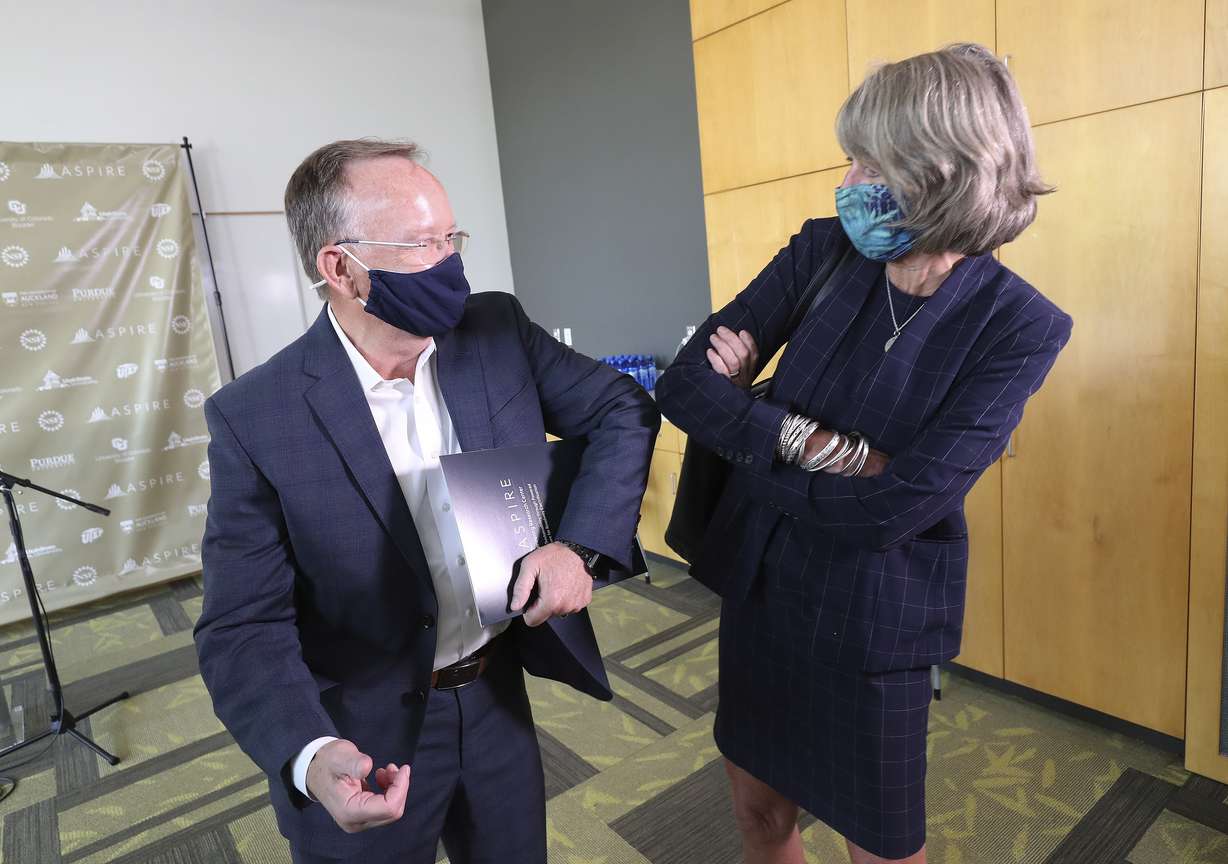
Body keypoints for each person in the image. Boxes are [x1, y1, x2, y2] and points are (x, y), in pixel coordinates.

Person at [656, 44, 1071, 864]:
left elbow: (897, 511)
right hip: (761, 590)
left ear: (946, 170)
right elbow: (682, 387)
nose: (847, 183)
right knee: (759, 815)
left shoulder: (1020, 325)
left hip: (872, 623)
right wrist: (810, 441)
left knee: (881, 847)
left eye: (871, 162)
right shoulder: (822, 253)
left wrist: (749, 412)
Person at [193, 139, 659, 864]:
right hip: (359, 733)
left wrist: (578, 547)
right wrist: (311, 754)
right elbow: (242, 625)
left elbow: (621, 410)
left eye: (452, 237)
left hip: (496, 701)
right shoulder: (256, 418)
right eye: (419, 245)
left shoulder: (495, 332)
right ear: (340, 267)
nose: (450, 263)